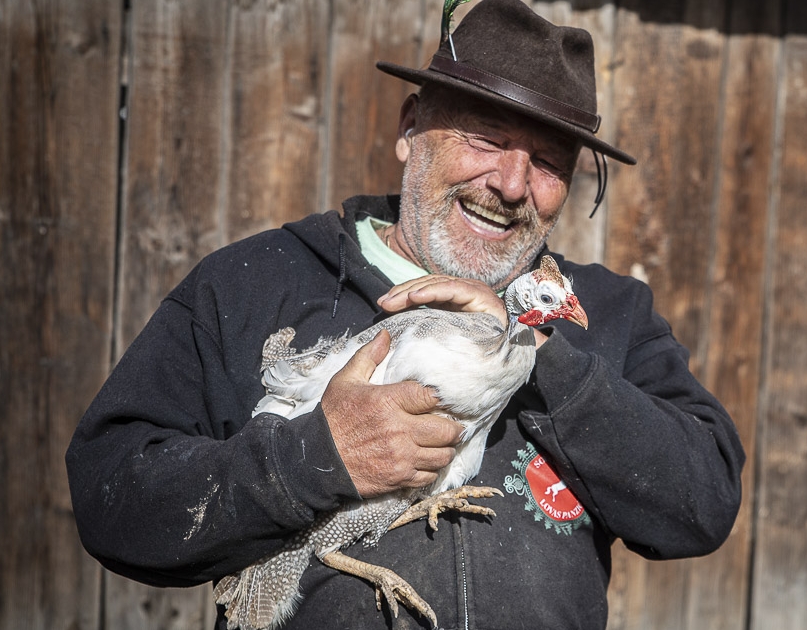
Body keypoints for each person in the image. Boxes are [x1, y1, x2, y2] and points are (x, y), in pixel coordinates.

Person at [66, 0, 745, 628]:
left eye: (544, 161)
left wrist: (537, 355)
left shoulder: (603, 315)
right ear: (410, 128)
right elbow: (111, 499)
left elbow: (702, 504)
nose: (509, 185)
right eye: (485, 138)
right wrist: (314, 459)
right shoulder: (259, 283)